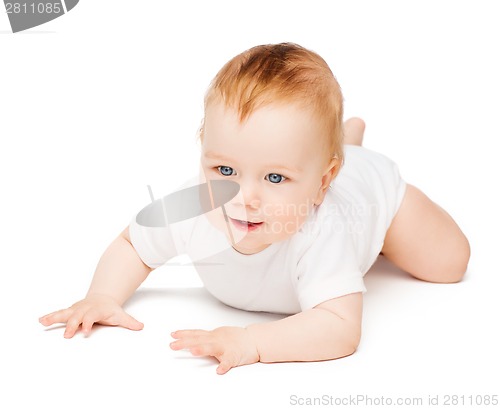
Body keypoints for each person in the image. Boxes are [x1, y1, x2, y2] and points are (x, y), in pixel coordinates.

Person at [39, 42, 470, 375]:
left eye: (275, 178)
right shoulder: (194, 204)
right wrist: (102, 295)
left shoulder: (323, 230)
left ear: (322, 182)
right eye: (225, 168)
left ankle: (352, 152)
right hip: (327, 167)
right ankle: (341, 140)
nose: (244, 197)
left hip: (375, 193)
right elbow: (133, 245)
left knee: (450, 263)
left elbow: (340, 327)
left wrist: (254, 343)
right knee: (312, 154)